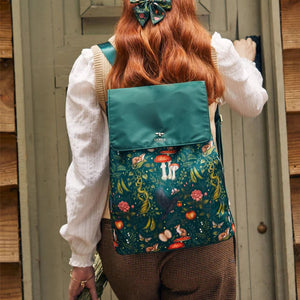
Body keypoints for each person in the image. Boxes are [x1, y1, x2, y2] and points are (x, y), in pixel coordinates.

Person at [60, 0, 268, 299]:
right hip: (203, 231)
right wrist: (245, 60)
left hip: (126, 240)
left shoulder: (94, 65)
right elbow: (252, 104)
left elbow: (88, 173)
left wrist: (81, 258)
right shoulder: (213, 51)